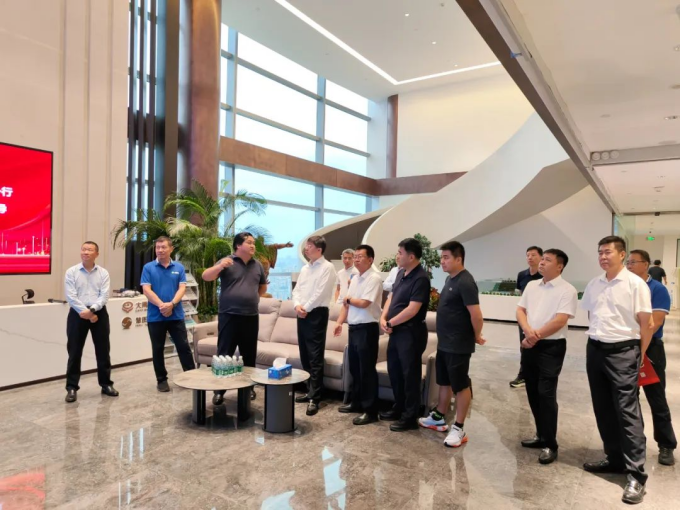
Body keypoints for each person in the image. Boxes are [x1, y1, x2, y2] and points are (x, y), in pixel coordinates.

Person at [581, 236, 653, 505]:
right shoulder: (594, 283)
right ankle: (614, 458)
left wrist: (638, 354)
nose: (603, 256)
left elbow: (647, 324)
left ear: (622, 255)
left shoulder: (635, 284)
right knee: (602, 406)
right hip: (595, 348)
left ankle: (636, 474)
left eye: (608, 252)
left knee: (627, 410)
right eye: (600, 252)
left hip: (624, 350)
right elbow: (592, 315)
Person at [418, 241, 485, 447]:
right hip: (445, 342)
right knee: (444, 381)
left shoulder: (466, 282)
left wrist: (477, 335)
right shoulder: (450, 278)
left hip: (458, 344)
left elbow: (476, 315)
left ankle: (459, 428)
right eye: (442, 257)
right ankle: (439, 417)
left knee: (460, 385)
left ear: (459, 258)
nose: (442, 261)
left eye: (446, 257)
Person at [516, 249, 578, 465]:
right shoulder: (532, 285)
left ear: (560, 266)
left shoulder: (567, 290)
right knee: (532, 391)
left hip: (551, 347)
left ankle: (551, 444)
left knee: (546, 393)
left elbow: (560, 320)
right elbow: (520, 310)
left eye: (547, 260)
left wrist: (535, 336)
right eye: (542, 259)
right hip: (530, 343)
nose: (541, 262)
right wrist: (528, 332)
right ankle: (541, 435)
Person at [201, 232, 267, 404]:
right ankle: (219, 390)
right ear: (238, 245)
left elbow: (262, 287)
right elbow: (206, 276)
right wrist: (220, 267)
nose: (253, 245)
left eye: (253, 243)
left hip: (250, 316)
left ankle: (248, 388)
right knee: (224, 353)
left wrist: (253, 298)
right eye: (249, 242)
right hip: (229, 315)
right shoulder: (227, 261)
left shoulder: (257, 265)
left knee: (249, 354)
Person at [626, 249, 676, 466]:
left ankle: (666, 444)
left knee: (656, 398)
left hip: (650, 349)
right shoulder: (624, 287)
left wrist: (641, 347)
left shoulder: (657, 289)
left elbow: (655, 322)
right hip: (626, 347)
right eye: (627, 262)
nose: (629, 266)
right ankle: (635, 443)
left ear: (645, 265)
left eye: (633, 262)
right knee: (629, 399)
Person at [380, 238, 431, 432]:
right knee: (395, 371)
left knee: (410, 375)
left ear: (411, 256)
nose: (397, 256)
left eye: (400, 253)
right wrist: (384, 317)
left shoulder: (421, 278)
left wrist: (391, 322)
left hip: (411, 332)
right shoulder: (401, 273)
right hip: (396, 331)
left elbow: (412, 309)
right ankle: (399, 407)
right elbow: (392, 297)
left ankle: (410, 416)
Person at [334, 244, 383, 425]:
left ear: (370, 260)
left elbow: (364, 303)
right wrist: (339, 322)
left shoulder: (374, 278)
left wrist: (348, 299)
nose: (356, 259)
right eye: (355, 256)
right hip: (354, 328)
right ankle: (356, 402)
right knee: (354, 368)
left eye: (360, 256)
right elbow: (346, 304)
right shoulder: (354, 278)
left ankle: (370, 411)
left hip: (367, 328)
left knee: (366, 370)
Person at [63, 241, 118, 403]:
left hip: (99, 313)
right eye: (84, 249)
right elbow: (71, 296)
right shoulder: (71, 272)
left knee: (103, 351)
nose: (86, 252)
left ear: (97, 254)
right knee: (74, 351)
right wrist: (86, 313)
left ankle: (106, 384)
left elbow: (104, 295)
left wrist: (92, 310)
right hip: (77, 314)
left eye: (90, 250)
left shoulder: (103, 273)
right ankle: (71, 387)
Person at [141, 236, 196, 392]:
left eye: (163, 247)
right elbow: (146, 290)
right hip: (155, 316)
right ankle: (161, 380)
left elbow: (182, 288)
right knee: (157, 349)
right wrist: (162, 306)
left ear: (171, 249)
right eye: (157, 247)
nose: (160, 250)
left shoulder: (179, 267)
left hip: (176, 315)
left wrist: (171, 304)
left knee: (183, 346)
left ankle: (191, 376)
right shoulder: (148, 267)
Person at [293, 235, 336, 416]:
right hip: (302, 313)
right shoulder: (305, 268)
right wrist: (297, 306)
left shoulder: (328, 267)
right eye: (306, 245)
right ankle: (309, 389)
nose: (306, 248)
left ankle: (315, 397)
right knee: (304, 353)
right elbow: (297, 290)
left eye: (309, 246)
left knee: (315, 355)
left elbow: (321, 292)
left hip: (316, 313)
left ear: (319, 249)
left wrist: (306, 308)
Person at [510, 246, 543, 388]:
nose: (530, 257)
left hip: (540, 317)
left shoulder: (545, 276)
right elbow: (520, 294)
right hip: (525, 317)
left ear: (541, 257)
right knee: (524, 345)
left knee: (539, 345)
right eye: (528, 255)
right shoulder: (522, 275)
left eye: (533, 255)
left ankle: (539, 375)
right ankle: (523, 375)